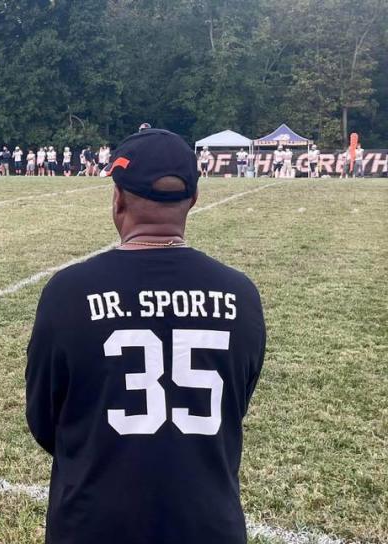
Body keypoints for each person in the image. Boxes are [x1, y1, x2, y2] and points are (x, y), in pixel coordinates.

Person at [26, 128, 265, 544]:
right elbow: (235, 406)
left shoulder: (68, 291)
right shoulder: (240, 294)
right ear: (193, 198)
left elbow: (45, 421)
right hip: (207, 525)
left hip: (93, 523)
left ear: (117, 198)